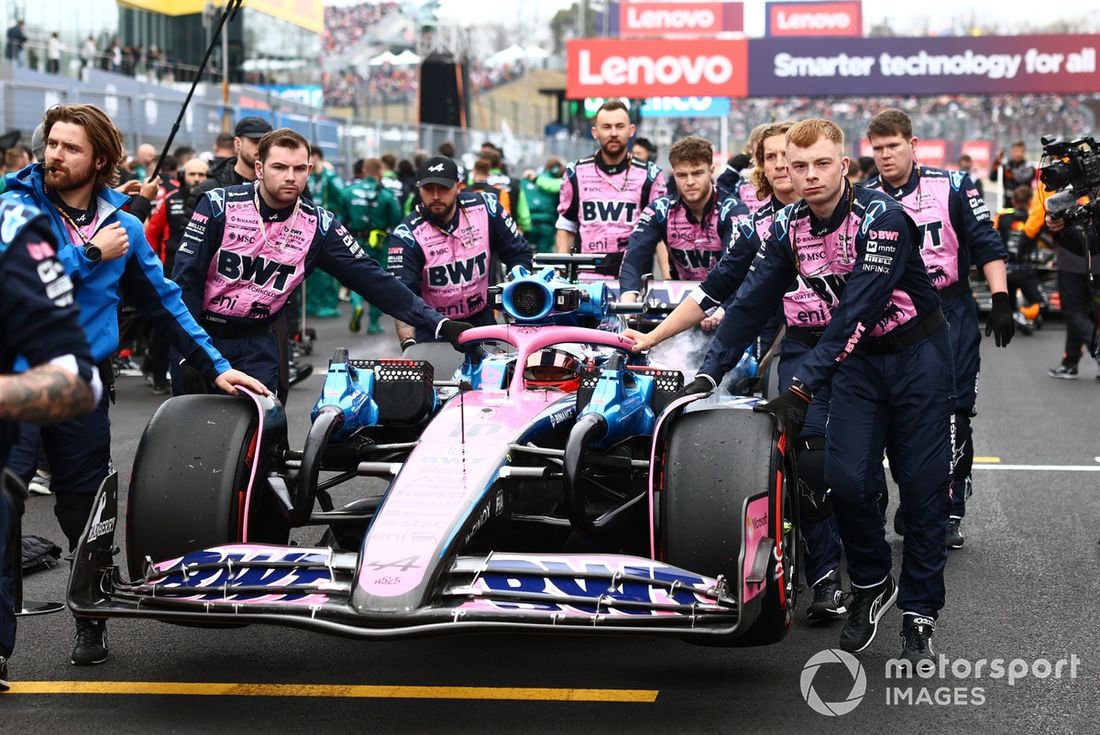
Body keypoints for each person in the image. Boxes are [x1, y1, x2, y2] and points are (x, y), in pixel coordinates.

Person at [667, 118, 956, 663]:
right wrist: (710, 373)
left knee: (922, 491)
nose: (809, 175)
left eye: (822, 163)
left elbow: (853, 314)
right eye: (798, 166)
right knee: (842, 480)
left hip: (917, 358)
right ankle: (871, 583)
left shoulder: (884, 218)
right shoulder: (787, 227)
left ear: (843, 165)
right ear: (785, 171)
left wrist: (801, 386)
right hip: (856, 366)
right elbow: (751, 301)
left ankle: (920, 610)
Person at [0, 103, 266, 666]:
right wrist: (90, 253)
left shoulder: (123, 225)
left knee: (85, 510)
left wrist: (216, 365)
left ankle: (92, 619)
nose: (53, 155)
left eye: (69, 147)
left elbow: (167, 304)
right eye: (51, 144)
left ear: (100, 159)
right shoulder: (14, 205)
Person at [624, 120, 854, 622]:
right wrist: (652, 338)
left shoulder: (858, 212)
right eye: (771, 158)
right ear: (765, 166)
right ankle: (824, 578)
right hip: (783, 347)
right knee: (806, 460)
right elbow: (716, 290)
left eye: (786, 157)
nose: (780, 168)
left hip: (865, 353)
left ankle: (864, 554)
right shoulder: (759, 227)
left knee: (859, 471)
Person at [173, 130, 469, 395]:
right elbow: (185, 282)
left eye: (299, 168)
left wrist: (440, 323)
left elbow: (376, 281)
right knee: (188, 435)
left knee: (264, 437)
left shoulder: (320, 226)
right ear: (260, 169)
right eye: (279, 167)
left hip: (257, 342)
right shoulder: (217, 204)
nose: (290, 176)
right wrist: (193, 349)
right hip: (202, 335)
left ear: (309, 170)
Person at [865, 108, 1013, 549]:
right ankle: (912, 500)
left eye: (893, 146)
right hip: (890, 318)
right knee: (895, 418)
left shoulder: (952, 185)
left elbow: (986, 241)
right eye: (877, 149)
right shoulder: (864, 198)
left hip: (950, 312)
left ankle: (949, 507)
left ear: (913, 146)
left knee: (955, 418)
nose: (886, 156)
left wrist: (1001, 298)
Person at [0, 198, 102, 692]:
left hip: (24, 415)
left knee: (76, 508)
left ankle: (91, 613)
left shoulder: (13, 228)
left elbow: (76, 376)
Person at [388, 155, 533, 346]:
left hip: (481, 321)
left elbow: (519, 253)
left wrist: (516, 294)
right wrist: (408, 345)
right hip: (434, 328)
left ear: (459, 186)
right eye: (429, 189)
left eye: (443, 188)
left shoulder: (486, 208)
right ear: (419, 188)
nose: (436, 196)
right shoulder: (406, 236)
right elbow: (404, 298)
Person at [619, 136, 749, 324]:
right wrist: (628, 298)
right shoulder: (660, 209)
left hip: (725, 302)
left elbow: (738, 266)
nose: (689, 182)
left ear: (711, 171)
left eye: (697, 173)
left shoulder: (734, 210)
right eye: (682, 175)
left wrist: (722, 307)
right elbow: (634, 255)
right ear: (674, 175)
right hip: (680, 302)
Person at [555, 99, 666, 276]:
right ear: (595, 132)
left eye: (619, 126)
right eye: (606, 127)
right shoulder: (575, 172)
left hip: (634, 278)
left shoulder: (651, 175)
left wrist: (668, 281)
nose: (613, 133)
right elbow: (566, 226)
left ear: (631, 130)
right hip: (587, 277)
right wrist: (560, 273)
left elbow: (661, 234)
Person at [143, 158, 208, 392]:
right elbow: (151, 233)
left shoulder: (210, 199)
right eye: (193, 174)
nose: (197, 179)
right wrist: (152, 265)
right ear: (183, 175)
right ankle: (157, 372)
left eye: (202, 174)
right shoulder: (170, 200)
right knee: (165, 325)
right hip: (168, 266)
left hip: (198, 268)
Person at [342, 157, 402, 334]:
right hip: (381, 242)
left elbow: (341, 217)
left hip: (355, 240)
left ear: (363, 171)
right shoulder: (386, 194)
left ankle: (357, 304)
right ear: (380, 171)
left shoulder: (349, 191)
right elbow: (397, 218)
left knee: (354, 276)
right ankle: (374, 324)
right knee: (379, 280)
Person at [1042, 198, 1100, 380]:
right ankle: (1070, 362)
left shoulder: (1072, 190)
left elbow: (1043, 219)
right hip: (1094, 262)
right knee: (1083, 314)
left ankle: (1096, 348)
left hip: (1073, 262)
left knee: (1074, 311)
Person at [186, 116, 272, 219]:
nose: (261, 147)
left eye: (266, 143)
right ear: (237, 143)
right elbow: (190, 233)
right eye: (255, 141)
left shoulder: (274, 187)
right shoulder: (210, 190)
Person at [996, 185, 1044, 336]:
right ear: (1030, 201)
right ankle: (1023, 314)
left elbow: (990, 235)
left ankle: (1015, 315)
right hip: (1025, 270)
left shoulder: (1001, 217)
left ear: (1013, 200)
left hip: (1006, 269)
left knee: (1009, 304)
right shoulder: (1034, 218)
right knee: (1041, 303)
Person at [305, 145, 346, 319]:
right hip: (309, 227)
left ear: (317, 157)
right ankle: (312, 304)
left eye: (310, 157)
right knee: (310, 270)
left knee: (327, 271)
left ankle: (330, 304)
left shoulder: (331, 177)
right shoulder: (309, 177)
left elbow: (343, 198)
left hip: (327, 227)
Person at [521, 158, 564, 254]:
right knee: (545, 260)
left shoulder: (527, 181)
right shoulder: (560, 182)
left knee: (524, 256)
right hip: (547, 225)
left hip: (528, 225)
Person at [991, 141, 1036, 208]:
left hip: (1025, 205)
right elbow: (992, 178)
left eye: (1021, 151)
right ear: (1011, 152)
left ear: (1024, 152)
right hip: (1008, 204)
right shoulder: (1006, 165)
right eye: (1016, 151)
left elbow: (1022, 180)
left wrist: (1010, 173)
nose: (1018, 154)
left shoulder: (1029, 166)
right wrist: (997, 161)